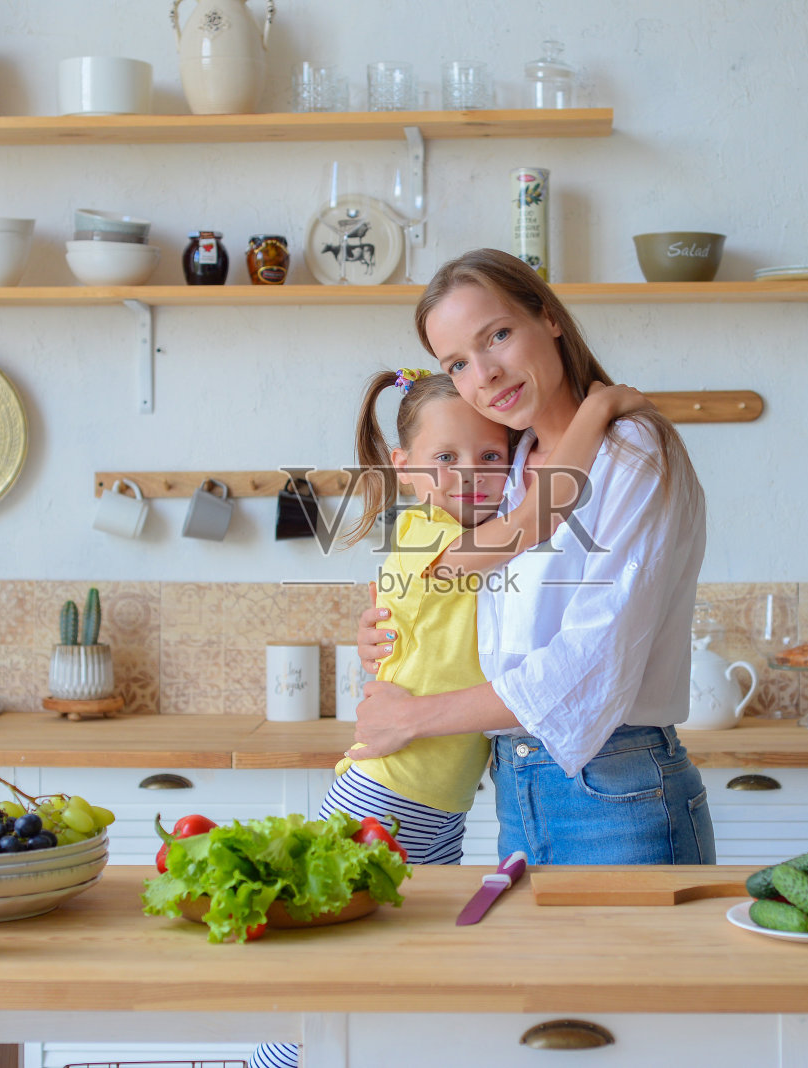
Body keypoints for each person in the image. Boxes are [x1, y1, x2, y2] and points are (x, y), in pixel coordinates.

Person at [250, 366, 646, 1068]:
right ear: (403, 469)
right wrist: (603, 407)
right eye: (446, 459)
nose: (470, 475)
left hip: (429, 805)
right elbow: (536, 519)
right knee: (333, 978)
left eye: (491, 457)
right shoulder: (429, 534)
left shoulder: (451, 535)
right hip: (387, 797)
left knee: (392, 982)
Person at [348, 248, 715, 866]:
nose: (485, 374)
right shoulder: (505, 466)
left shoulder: (631, 454)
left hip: (616, 796)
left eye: (498, 335)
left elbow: (589, 662)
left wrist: (413, 718)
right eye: (458, 362)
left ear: (549, 318)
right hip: (512, 791)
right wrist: (393, 628)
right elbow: (478, 587)